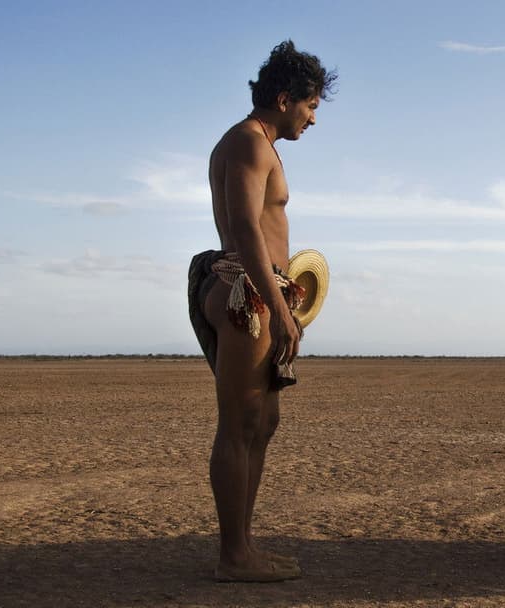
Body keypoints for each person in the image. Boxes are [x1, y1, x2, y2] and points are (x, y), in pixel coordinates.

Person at [187, 40, 336, 582]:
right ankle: (234, 556)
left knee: (262, 422)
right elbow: (247, 228)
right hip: (246, 294)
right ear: (284, 98)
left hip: (257, 288)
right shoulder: (249, 143)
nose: (313, 119)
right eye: (311, 106)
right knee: (239, 424)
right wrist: (277, 306)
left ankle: (244, 547)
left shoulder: (256, 143)